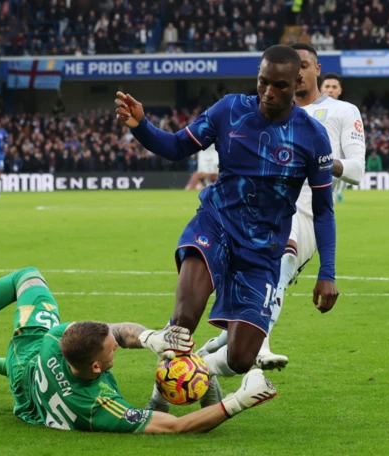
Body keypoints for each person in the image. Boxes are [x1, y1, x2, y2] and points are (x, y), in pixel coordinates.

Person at [115, 45, 339, 412]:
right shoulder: (230, 110)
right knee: (184, 320)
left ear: (298, 81)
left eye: (279, 86)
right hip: (215, 224)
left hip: (263, 250)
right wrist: (141, 125)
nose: (268, 93)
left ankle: (203, 373)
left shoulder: (312, 137)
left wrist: (327, 272)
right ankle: (160, 398)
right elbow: (174, 147)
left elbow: (324, 210)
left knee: (240, 357)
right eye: (262, 82)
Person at [0, 267, 276, 433]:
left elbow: (118, 332)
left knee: (27, 277)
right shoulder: (97, 405)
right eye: (111, 353)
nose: (116, 351)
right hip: (30, 405)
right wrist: (239, 402)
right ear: (94, 367)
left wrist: (150, 338)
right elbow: (173, 426)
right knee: (161, 408)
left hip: (26, 357)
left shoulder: (57, 337)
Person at [197, 44, 364, 371]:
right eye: (293, 66)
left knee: (283, 257)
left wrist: (319, 163)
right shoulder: (267, 111)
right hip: (258, 210)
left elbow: (357, 170)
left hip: (306, 211)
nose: (298, 72)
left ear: (317, 68)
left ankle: (261, 344)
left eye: (304, 65)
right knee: (244, 310)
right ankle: (204, 357)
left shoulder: (343, 111)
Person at [319, 72, 345, 202]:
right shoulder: (309, 110)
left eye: (334, 87)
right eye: (327, 86)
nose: (330, 90)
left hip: (336, 166)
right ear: (320, 89)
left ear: (340, 90)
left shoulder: (348, 112)